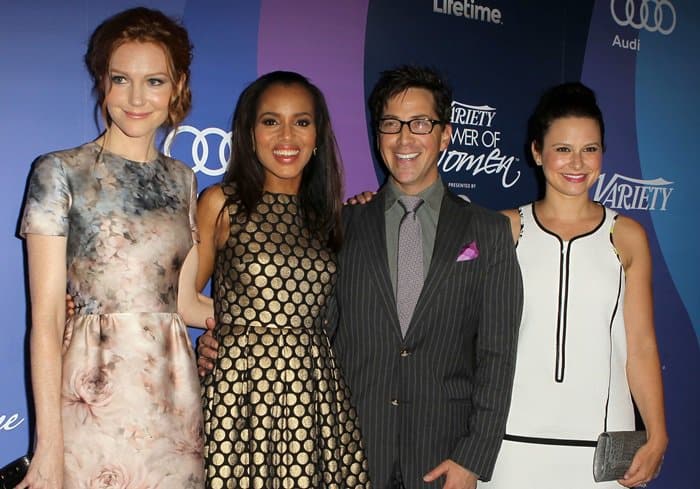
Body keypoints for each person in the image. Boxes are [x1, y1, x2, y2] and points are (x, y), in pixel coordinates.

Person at [198, 65, 523, 489]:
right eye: (391, 124)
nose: (405, 138)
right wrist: (225, 337)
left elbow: (498, 356)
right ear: (377, 135)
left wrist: (473, 458)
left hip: (443, 456)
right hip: (343, 449)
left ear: (445, 135)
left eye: (421, 124)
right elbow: (307, 320)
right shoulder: (339, 225)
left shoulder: (488, 231)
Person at [18, 7, 211, 488]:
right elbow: (45, 320)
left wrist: (275, 317)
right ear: (103, 82)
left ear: (178, 86)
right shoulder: (60, 171)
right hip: (92, 396)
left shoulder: (183, 180)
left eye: (154, 81)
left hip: (173, 401)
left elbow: (183, 303)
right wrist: (47, 450)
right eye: (121, 79)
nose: (136, 98)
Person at [483, 82, 668, 488]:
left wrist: (657, 433)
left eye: (590, 148)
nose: (577, 162)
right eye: (563, 148)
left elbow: (640, 345)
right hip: (510, 448)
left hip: (601, 455)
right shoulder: (502, 229)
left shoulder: (627, 235)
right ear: (537, 152)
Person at [195, 71, 370, 488]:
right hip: (237, 391)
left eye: (302, 122)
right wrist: (220, 330)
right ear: (250, 134)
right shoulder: (221, 204)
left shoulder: (329, 217)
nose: (286, 135)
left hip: (312, 392)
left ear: (318, 136)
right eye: (271, 121)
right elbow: (179, 299)